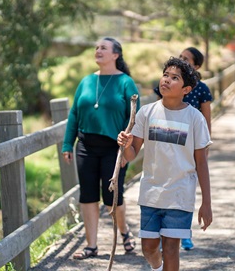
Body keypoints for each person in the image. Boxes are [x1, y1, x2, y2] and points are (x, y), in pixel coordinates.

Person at [118, 57, 212, 271]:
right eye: (165, 75)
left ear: (186, 89)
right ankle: (157, 267)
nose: (167, 80)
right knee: (149, 248)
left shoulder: (195, 118)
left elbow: (201, 163)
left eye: (174, 78)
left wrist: (206, 202)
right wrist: (125, 144)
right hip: (151, 191)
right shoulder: (146, 113)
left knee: (171, 248)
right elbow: (132, 154)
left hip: (180, 194)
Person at [62, 37, 141, 260]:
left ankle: (124, 231)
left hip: (114, 148)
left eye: (103, 48)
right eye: (96, 47)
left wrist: (128, 150)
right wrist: (68, 143)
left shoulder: (126, 82)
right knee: (87, 196)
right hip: (85, 145)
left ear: (116, 55)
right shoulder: (86, 81)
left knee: (112, 198)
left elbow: (135, 118)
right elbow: (74, 114)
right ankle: (92, 246)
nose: (98, 50)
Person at [153, 47, 213, 250]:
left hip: (190, 142)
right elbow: (157, 110)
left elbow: (206, 118)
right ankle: (162, 233)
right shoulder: (167, 85)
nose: (182, 60)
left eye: (186, 59)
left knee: (185, 189)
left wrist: (204, 146)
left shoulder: (202, 89)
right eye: (181, 57)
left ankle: (183, 232)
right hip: (166, 137)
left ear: (196, 67)